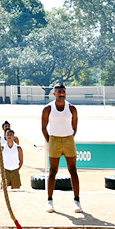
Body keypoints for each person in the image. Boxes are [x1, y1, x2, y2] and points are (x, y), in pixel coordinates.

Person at [40, 83, 81, 213]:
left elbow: (74, 127)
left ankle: (77, 201)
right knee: (52, 171)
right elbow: (43, 127)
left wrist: (68, 137)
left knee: (73, 170)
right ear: (54, 93)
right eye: (59, 92)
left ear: (65, 93)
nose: (61, 94)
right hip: (54, 140)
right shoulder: (48, 108)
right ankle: (49, 201)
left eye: (63, 92)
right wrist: (50, 140)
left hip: (68, 139)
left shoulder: (72, 108)